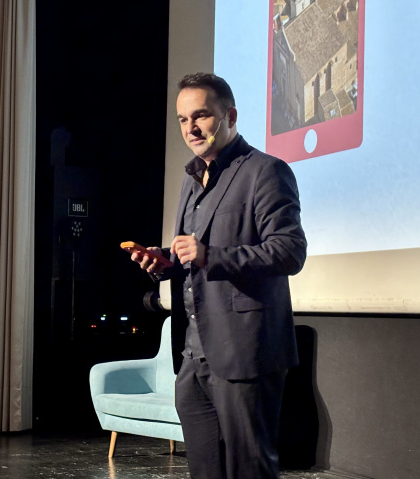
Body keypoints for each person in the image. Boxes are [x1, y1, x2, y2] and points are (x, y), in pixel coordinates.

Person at [130, 72, 307, 478]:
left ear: (230, 116)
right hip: (193, 355)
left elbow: (290, 251)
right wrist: (166, 261)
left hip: (244, 354)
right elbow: (194, 257)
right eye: (182, 119)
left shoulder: (266, 171)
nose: (190, 128)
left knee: (250, 470)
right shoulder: (191, 180)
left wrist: (211, 256)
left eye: (201, 116)